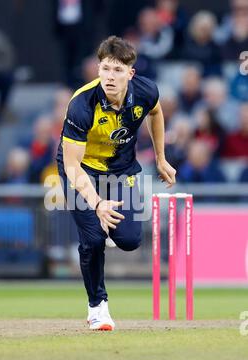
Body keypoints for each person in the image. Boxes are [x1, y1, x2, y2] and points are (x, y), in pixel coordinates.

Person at [56, 36, 176, 331]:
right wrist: (97, 203)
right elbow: (71, 165)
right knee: (94, 239)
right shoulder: (81, 105)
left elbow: (157, 112)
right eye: (106, 69)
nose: (110, 76)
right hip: (81, 172)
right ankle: (97, 307)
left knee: (130, 240)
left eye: (118, 70)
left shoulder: (146, 91)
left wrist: (161, 158)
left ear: (130, 73)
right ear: (98, 69)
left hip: (121, 172)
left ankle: (101, 228)